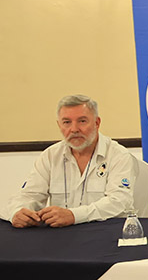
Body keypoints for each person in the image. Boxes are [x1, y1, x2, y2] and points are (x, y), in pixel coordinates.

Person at [5, 95, 136, 228]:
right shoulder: (50, 156)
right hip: (62, 235)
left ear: (97, 123)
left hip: (107, 232)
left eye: (82, 121)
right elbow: (29, 195)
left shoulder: (118, 155)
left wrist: (74, 216)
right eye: (67, 122)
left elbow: (119, 201)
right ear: (59, 125)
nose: (74, 129)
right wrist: (17, 212)